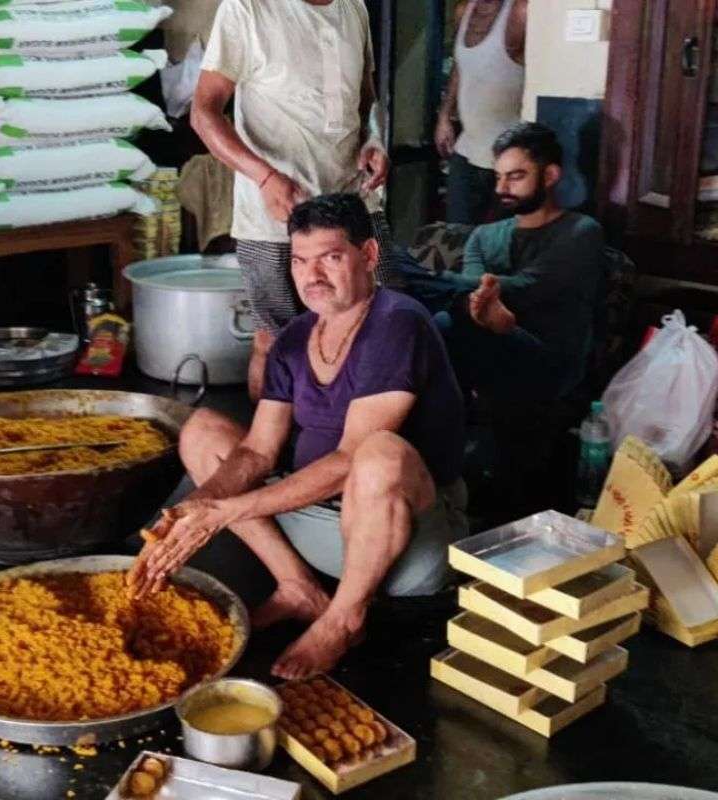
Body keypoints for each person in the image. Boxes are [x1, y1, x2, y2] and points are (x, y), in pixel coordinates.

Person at [127, 194, 468, 679]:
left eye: (330, 258)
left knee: (380, 453)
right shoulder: (293, 338)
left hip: (397, 541)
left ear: (369, 255)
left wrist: (224, 513)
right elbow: (257, 451)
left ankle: (345, 618)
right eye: (300, 261)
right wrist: (192, 511)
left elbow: (351, 458)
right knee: (202, 429)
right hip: (312, 523)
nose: (313, 276)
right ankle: (298, 587)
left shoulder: (398, 321)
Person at [192, 0, 391, 401]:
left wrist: (374, 137)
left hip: (354, 204)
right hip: (274, 215)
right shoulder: (247, 9)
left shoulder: (355, 8)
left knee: (380, 324)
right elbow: (203, 112)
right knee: (276, 340)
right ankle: (272, 439)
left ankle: (344, 433)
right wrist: (265, 177)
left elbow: (367, 98)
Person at [411, 122, 607, 404]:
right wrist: (482, 309)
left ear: (549, 175)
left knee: (443, 314)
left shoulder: (581, 231)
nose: (502, 187)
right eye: (498, 176)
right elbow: (472, 294)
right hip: (483, 344)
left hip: (550, 361)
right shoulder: (484, 235)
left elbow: (527, 287)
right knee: (438, 321)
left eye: (515, 177)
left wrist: (434, 279)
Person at [436, 0, 527, 224]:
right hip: (467, 148)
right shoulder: (464, 11)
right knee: (456, 234)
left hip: (506, 157)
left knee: (497, 240)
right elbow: (459, 68)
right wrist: (444, 116)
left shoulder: (519, 11)